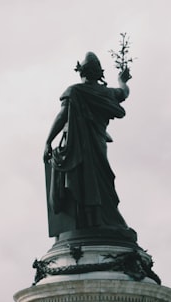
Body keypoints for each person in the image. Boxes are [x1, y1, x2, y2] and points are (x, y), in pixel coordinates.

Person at [44, 50, 131, 236]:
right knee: (100, 182)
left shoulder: (75, 91)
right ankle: (99, 220)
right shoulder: (106, 93)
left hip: (77, 148)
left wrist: (48, 142)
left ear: (81, 72)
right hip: (98, 145)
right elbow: (123, 92)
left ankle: (86, 222)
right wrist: (122, 79)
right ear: (99, 74)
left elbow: (61, 116)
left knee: (84, 181)